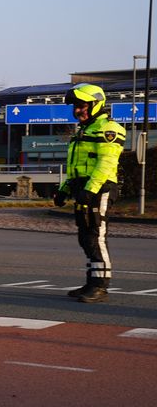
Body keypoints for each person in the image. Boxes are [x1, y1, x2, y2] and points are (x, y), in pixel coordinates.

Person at [54, 83, 126, 303]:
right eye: (75, 106)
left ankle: (100, 286)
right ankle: (91, 281)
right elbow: (77, 166)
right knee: (85, 237)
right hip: (84, 188)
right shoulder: (85, 130)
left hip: (99, 188)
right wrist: (64, 189)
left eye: (81, 105)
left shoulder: (109, 129)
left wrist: (89, 190)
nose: (77, 110)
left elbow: (105, 164)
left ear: (96, 104)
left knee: (96, 235)